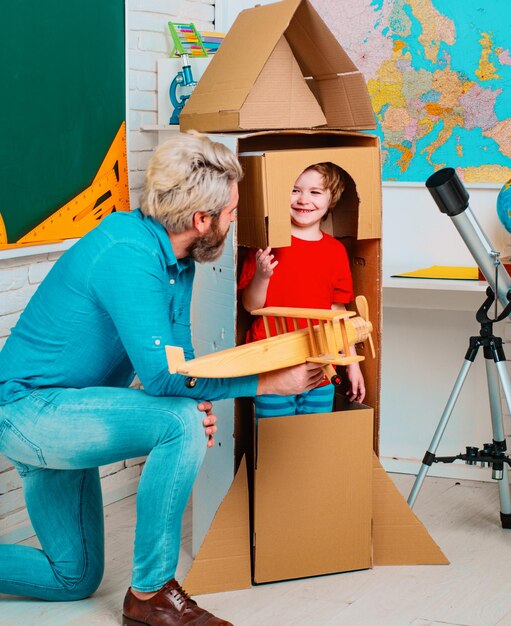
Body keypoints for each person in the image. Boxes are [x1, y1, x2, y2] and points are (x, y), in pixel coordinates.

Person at [0, 131, 325, 626]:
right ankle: (151, 594)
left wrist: (194, 405)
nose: (234, 221)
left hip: (71, 408)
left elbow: (181, 362)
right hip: (28, 413)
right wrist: (269, 382)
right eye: (232, 212)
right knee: (177, 419)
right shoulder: (127, 256)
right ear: (203, 220)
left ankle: (135, 589)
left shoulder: (177, 260)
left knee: (74, 578)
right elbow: (164, 379)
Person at [238, 162, 366, 419]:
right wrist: (263, 275)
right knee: (277, 439)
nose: (303, 199)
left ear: (332, 199)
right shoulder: (265, 243)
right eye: (294, 190)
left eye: (315, 192)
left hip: (319, 366)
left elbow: (337, 313)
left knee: (312, 439)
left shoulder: (335, 251)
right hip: (272, 366)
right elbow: (251, 306)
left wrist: (352, 364)